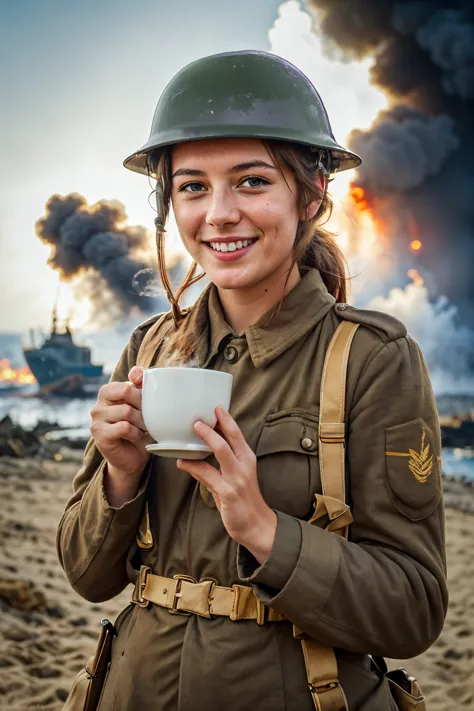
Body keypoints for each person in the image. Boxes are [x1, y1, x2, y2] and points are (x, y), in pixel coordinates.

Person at [56, 50, 448, 711]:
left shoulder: (371, 357)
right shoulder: (148, 350)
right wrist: (120, 479)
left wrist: (265, 529)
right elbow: (86, 576)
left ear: (313, 193)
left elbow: (414, 609)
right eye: (192, 187)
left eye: (251, 181)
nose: (219, 214)